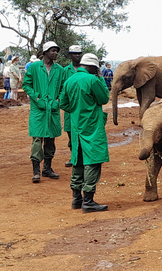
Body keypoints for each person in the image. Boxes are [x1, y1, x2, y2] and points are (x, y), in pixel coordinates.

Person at [60, 53, 110, 213]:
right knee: (93, 161)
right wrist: (101, 78)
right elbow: (103, 98)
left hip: (76, 127)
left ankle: (77, 199)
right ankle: (88, 201)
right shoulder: (93, 80)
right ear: (93, 67)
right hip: (92, 127)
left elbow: (63, 103)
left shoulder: (69, 80)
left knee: (78, 160)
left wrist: (76, 111)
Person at [22, 41, 65, 183]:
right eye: (52, 50)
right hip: (38, 109)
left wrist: (58, 100)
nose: (55, 53)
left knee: (51, 139)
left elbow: (64, 88)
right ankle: (36, 171)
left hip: (52, 109)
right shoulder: (34, 67)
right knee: (37, 139)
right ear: (45, 52)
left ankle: (47, 168)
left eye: (56, 51)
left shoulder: (60, 69)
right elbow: (26, 85)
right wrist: (36, 97)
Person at [63, 44, 83, 167]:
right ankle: (73, 156)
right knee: (71, 133)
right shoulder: (65, 71)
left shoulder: (86, 70)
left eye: (79, 53)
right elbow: (62, 87)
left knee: (82, 132)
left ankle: (82, 157)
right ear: (70, 55)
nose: (77, 56)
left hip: (83, 107)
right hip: (70, 108)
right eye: (75, 54)